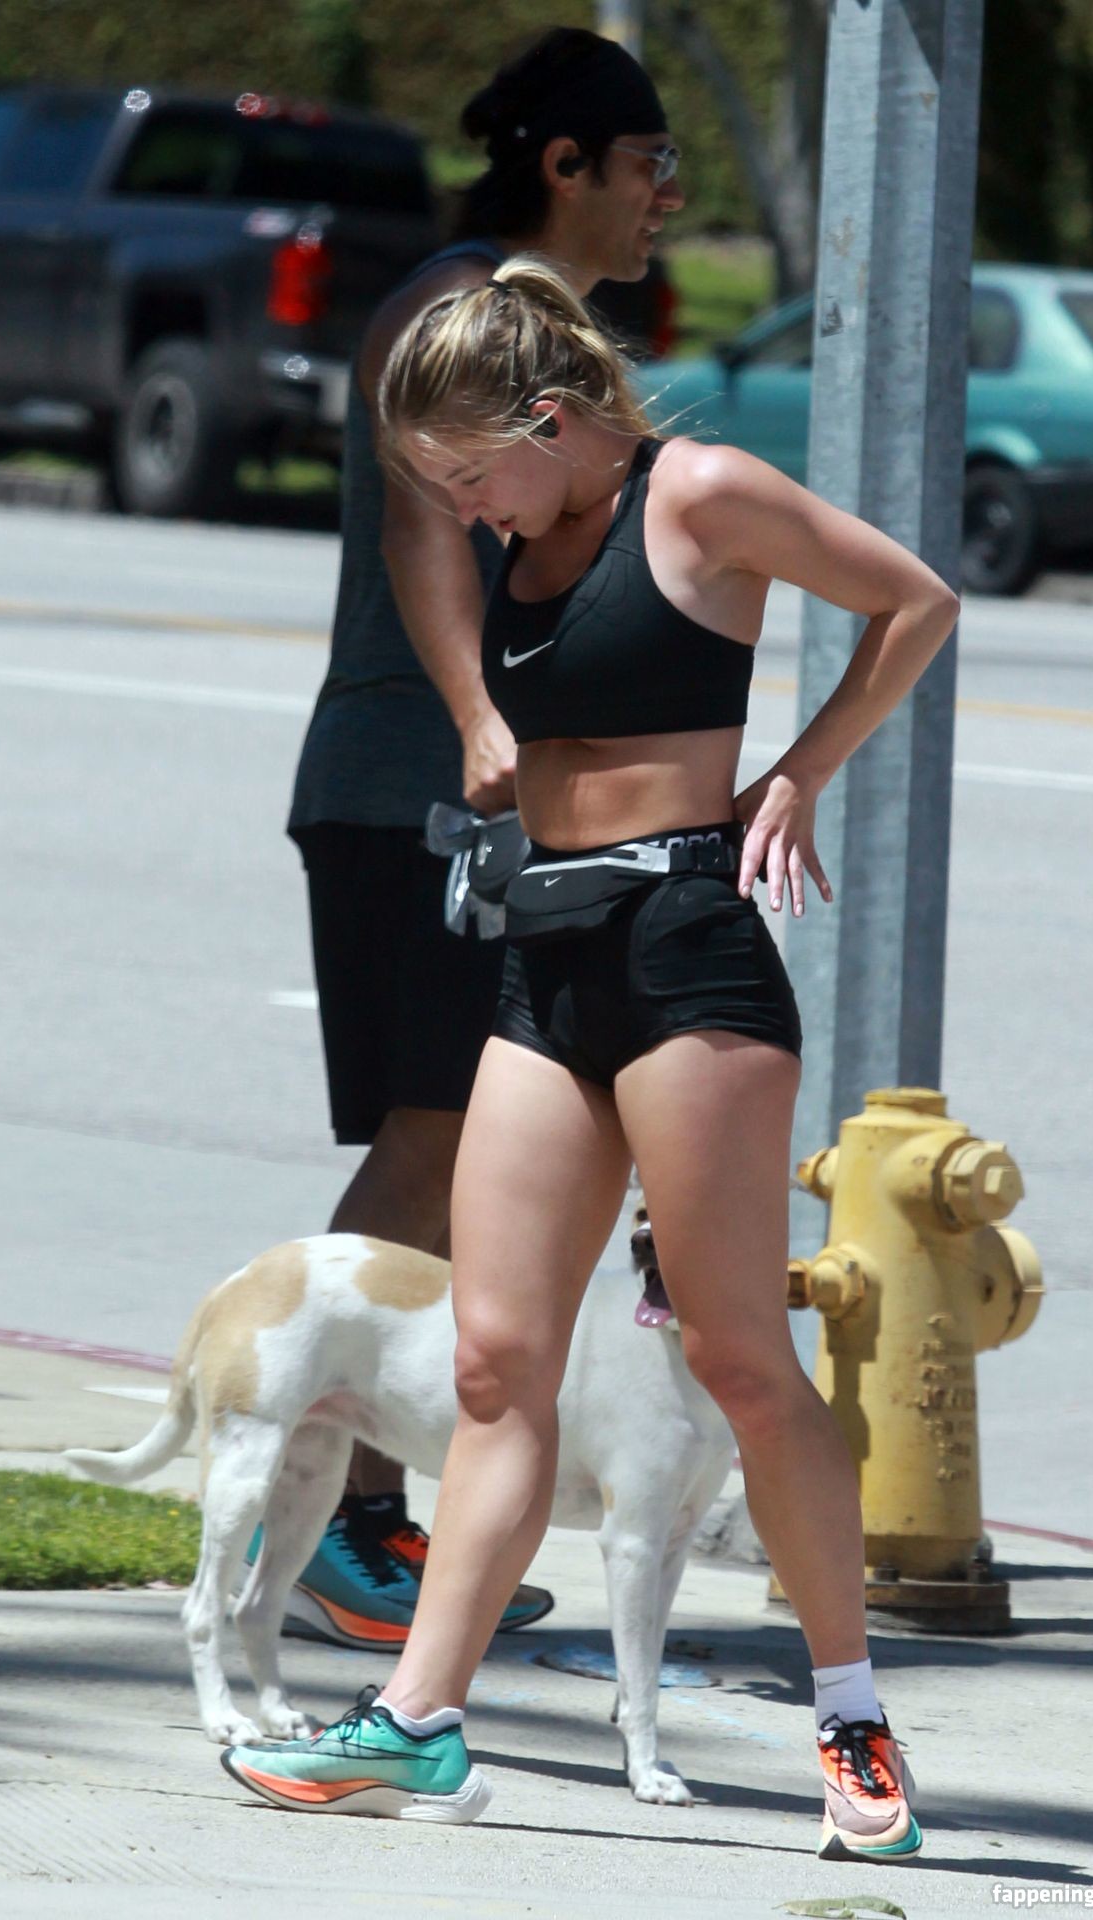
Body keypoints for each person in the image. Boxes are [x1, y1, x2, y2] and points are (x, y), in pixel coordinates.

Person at [224, 256, 959, 1858]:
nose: (468, 512)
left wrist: (802, 771)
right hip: (544, 959)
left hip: (687, 954)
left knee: (740, 1360)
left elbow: (917, 601)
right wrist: (485, 730)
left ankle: (852, 1720)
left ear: (552, 420)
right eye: (444, 490)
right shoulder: (524, 530)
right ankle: (419, 1724)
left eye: (473, 476)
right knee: (496, 1366)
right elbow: (471, 600)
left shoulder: (699, 495)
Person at [271, 28, 686, 1651]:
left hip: (477, 788)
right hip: (418, 789)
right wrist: (478, 721)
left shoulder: (538, 319)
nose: (667, 195)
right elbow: (424, 526)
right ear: (564, 165)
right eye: (649, 162)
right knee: (438, 1142)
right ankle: (334, 1516)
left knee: (476, 1149)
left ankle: (362, 1510)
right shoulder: (454, 310)